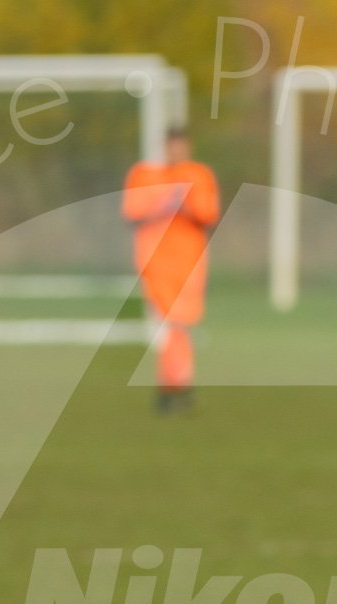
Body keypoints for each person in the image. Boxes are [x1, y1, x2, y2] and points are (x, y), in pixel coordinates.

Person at [121, 127, 219, 413]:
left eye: (181, 146)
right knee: (166, 323)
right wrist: (164, 203)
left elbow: (208, 213)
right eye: (171, 146)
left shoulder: (199, 175)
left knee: (181, 322)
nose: (176, 151)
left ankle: (175, 385)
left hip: (189, 259)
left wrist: (184, 203)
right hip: (155, 260)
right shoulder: (144, 175)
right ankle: (175, 385)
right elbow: (132, 212)